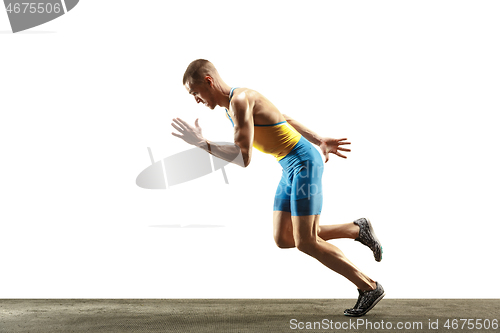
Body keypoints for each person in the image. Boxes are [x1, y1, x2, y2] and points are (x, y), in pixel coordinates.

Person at [171, 59, 384, 317]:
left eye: (195, 93)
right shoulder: (233, 104)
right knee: (284, 237)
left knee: (306, 241)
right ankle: (356, 229)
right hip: (288, 166)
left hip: (304, 163)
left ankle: (368, 285)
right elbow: (282, 117)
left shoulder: (240, 101)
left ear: (208, 81)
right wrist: (319, 138)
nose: (196, 99)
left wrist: (202, 143)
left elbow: (244, 158)